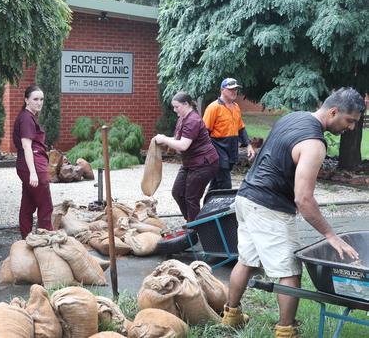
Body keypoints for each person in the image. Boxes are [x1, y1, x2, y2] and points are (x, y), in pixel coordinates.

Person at [222, 88, 364, 338]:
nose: (351, 128)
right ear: (333, 112)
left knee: (246, 261)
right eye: (349, 121)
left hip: (245, 198)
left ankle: (231, 316)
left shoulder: (293, 117)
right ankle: (286, 331)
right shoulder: (314, 144)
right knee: (289, 271)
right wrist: (331, 235)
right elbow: (304, 198)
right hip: (269, 207)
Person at [154, 92, 219, 222]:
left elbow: (183, 145)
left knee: (191, 197)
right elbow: (179, 139)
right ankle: (192, 222)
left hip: (204, 164)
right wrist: (163, 139)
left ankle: (195, 229)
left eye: (177, 107)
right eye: (173, 107)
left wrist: (164, 139)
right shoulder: (182, 118)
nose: (174, 110)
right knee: (177, 193)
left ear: (186, 104)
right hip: (190, 163)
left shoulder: (193, 120)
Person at [13, 85, 53, 239]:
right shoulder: (26, 119)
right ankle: (45, 240)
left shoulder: (28, 117)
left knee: (28, 204)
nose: (39, 102)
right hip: (33, 165)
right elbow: (26, 146)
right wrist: (33, 173)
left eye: (41, 99)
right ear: (26, 100)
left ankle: (26, 239)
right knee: (45, 205)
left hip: (28, 165)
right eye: (35, 99)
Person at [202, 78, 256, 190]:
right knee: (225, 183)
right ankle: (225, 205)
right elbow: (204, 132)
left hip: (231, 148)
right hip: (217, 148)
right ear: (222, 90)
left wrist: (248, 145)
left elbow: (241, 128)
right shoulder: (213, 107)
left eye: (235, 89)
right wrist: (207, 153)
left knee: (217, 182)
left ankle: (209, 204)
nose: (234, 92)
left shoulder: (236, 107)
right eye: (231, 89)